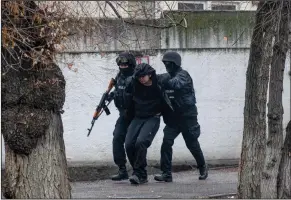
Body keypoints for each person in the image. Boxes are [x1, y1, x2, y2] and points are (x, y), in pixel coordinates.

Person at [154, 51, 208, 182]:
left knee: (192, 144)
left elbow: (175, 84)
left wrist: (162, 80)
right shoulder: (168, 76)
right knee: (166, 143)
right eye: (165, 63)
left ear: (175, 63)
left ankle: (202, 167)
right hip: (173, 118)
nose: (166, 65)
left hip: (187, 117)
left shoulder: (183, 75)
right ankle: (166, 173)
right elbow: (156, 78)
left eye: (168, 63)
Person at [123, 63, 173, 185]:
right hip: (138, 117)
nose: (141, 79)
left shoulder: (159, 82)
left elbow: (174, 75)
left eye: (143, 76)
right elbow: (126, 87)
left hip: (153, 117)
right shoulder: (134, 83)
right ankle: (139, 173)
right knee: (129, 144)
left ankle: (139, 174)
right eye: (138, 76)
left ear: (149, 74)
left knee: (141, 142)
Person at [107, 52, 136, 181]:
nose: (123, 66)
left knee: (132, 144)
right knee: (117, 138)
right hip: (123, 116)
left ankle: (138, 170)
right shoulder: (119, 76)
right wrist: (112, 95)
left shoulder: (136, 77)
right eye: (121, 64)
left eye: (125, 64)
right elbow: (119, 91)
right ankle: (122, 169)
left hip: (136, 116)